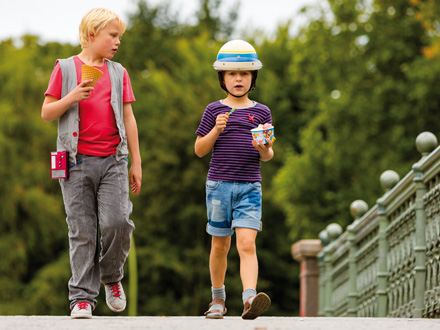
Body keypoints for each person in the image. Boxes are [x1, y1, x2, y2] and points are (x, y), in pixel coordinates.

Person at [41, 8, 142, 319]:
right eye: (112, 36)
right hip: (75, 163)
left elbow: (128, 117)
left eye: (119, 37)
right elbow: (47, 112)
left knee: (117, 222)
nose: (117, 42)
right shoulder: (65, 68)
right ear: (91, 35)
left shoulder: (118, 72)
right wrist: (73, 96)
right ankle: (81, 298)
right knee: (82, 231)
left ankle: (112, 278)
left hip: (113, 160)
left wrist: (135, 161)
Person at [195, 40, 275, 320]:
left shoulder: (262, 112)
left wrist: (263, 146)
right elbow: (199, 150)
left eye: (244, 73)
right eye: (231, 73)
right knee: (220, 245)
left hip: (250, 187)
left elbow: (268, 156)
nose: (238, 79)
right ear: (222, 77)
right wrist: (216, 130)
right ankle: (218, 300)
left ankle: (250, 298)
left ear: (253, 78)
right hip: (218, 186)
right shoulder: (213, 110)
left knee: (247, 244)